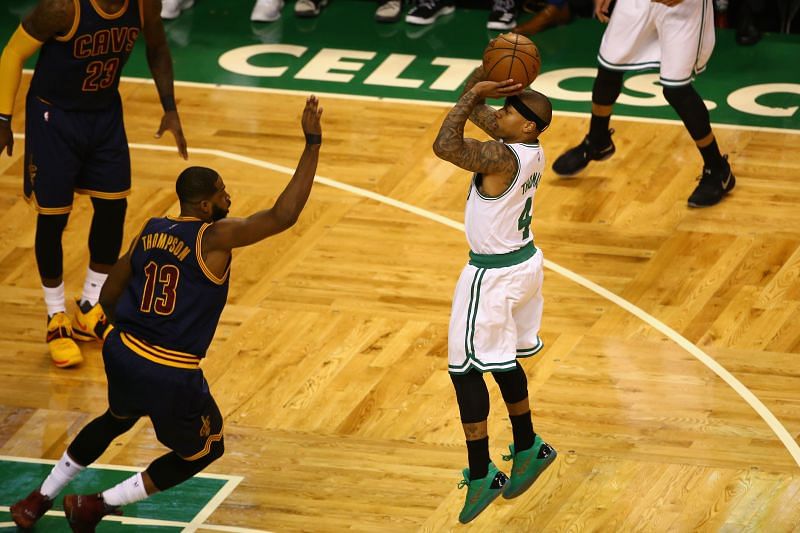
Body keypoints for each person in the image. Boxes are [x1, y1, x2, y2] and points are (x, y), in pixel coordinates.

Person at [9, 96, 323, 532]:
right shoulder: (214, 238)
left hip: (123, 351)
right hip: (170, 369)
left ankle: (36, 500)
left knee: (115, 418)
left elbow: (111, 291)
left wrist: (129, 335)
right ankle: (97, 504)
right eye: (222, 191)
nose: (229, 195)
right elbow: (283, 215)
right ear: (207, 207)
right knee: (204, 448)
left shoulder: (152, 227)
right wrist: (311, 145)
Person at [0, 0, 188, 369]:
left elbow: (158, 47)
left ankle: (91, 305)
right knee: (53, 217)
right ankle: (56, 317)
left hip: (104, 115)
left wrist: (170, 107)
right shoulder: (61, 8)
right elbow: (12, 53)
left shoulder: (145, 4)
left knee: (113, 206)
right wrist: (3, 117)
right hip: (55, 117)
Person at [432, 67, 557, 524]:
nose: (498, 113)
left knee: (465, 370)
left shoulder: (501, 159)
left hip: (492, 277)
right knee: (503, 360)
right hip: (525, 264)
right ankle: (528, 445)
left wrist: (474, 96)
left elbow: (445, 145)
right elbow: (474, 105)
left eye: (506, 109)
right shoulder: (529, 148)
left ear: (524, 124)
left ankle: (483, 472)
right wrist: (490, 74)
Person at [552, 0, 735, 208]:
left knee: (676, 90)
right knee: (609, 67)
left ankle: (717, 168)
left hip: (682, 7)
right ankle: (598, 140)